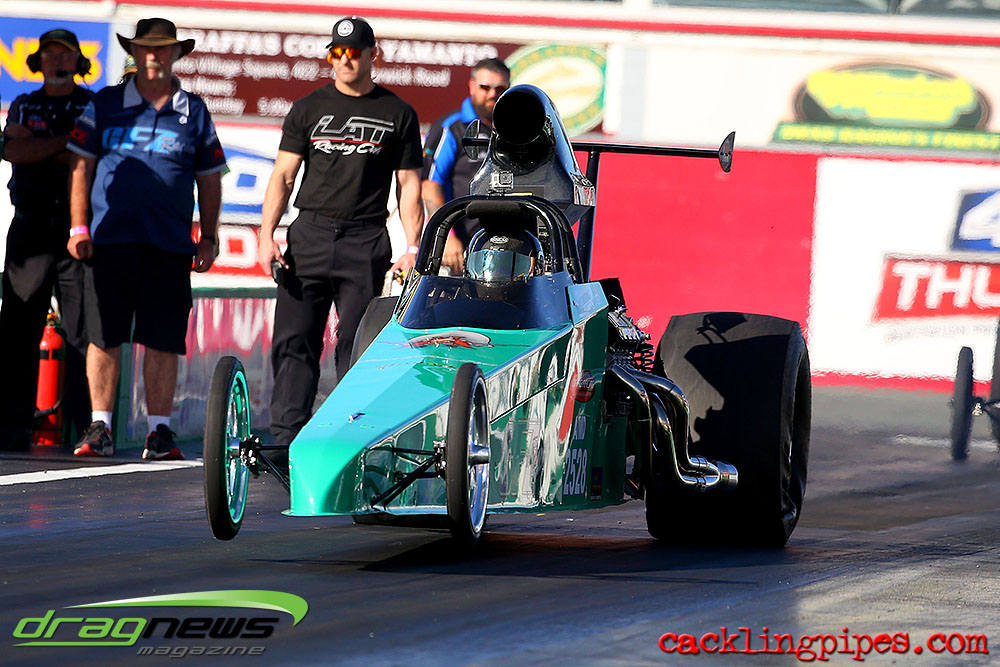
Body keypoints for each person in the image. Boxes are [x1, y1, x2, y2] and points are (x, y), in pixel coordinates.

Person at [257, 16, 423, 445]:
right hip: (309, 234)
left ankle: (352, 439)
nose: (344, 60)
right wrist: (266, 234)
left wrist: (412, 246)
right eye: (337, 52)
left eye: (353, 52)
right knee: (295, 341)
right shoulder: (308, 108)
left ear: (372, 55)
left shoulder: (398, 113)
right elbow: (283, 176)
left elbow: (409, 186)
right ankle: (286, 439)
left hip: (364, 239)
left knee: (358, 343)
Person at [66, 18, 226, 459]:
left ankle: (159, 432)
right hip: (110, 239)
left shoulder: (194, 110)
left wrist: (209, 236)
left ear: (176, 54)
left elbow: (209, 178)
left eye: (163, 49)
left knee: (163, 339)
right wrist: (78, 227)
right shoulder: (105, 102)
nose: (154, 56)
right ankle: (100, 427)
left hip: (170, 243)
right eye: (146, 48)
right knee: (104, 335)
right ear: (134, 53)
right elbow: (80, 167)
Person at [0, 29, 94, 451]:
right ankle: (12, 426)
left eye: (65, 54)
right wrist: (68, 145)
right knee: (18, 328)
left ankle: (84, 428)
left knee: (81, 331)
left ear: (78, 62)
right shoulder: (25, 103)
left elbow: (90, 157)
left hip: (79, 229)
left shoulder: (91, 105)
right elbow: (14, 152)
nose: (57, 61)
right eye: (50, 54)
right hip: (31, 225)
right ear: (38, 62)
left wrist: (39, 146)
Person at [421, 58, 510, 273]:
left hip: (505, 247)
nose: (492, 94)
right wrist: (446, 235)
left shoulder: (514, 130)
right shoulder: (453, 127)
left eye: (500, 89)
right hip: (460, 248)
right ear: (471, 86)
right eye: (485, 87)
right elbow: (430, 185)